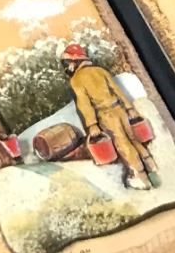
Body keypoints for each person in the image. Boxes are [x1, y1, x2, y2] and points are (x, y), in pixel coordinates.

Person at [61, 44, 156, 190]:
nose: (67, 67)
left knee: (122, 144)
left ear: (74, 61)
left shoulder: (76, 80)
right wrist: (130, 108)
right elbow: (117, 90)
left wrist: (92, 124)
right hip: (119, 110)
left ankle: (140, 176)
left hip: (106, 115)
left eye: (67, 63)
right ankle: (151, 165)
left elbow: (85, 104)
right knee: (132, 138)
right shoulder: (100, 71)